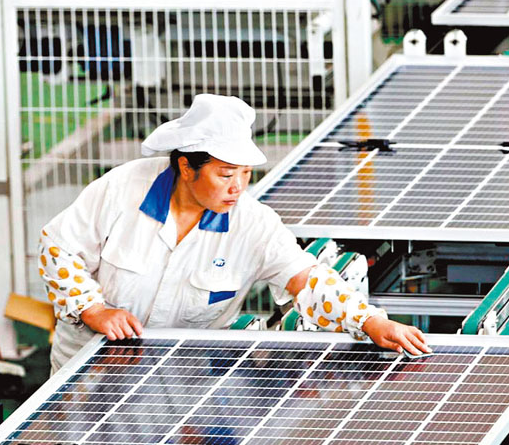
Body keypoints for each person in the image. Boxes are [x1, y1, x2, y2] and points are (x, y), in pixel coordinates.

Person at [39, 94, 430, 372]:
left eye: (245, 174)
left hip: (182, 384)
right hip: (89, 376)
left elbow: (307, 279)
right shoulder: (122, 189)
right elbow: (58, 246)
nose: (237, 187)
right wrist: (94, 309)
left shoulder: (252, 223)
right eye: (226, 174)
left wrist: (370, 321)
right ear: (186, 168)